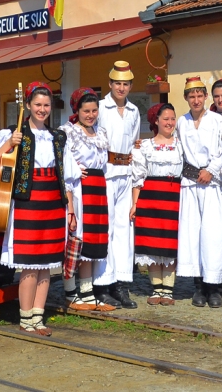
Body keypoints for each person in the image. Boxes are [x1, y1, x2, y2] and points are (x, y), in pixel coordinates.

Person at [0, 82, 67, 335]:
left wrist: (70, 208)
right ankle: (25, 317)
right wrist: (9, 143)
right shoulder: (13, 133)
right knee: (30, 264)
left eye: (46, 105)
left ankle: (38, 318)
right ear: (28, 105)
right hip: (27, 202)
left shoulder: (58, 137)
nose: (42, 110)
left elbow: (68, 178)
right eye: (38, 105)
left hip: (53, 202)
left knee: (47, 265)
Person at [60, 88, 116, 311]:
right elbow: (63, 161)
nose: (91, 114)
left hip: (98, 188)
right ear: (77, 110)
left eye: (94, 110)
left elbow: (104, 162)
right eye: (86, 111)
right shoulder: (69, 132)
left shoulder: (100, 132)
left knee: (92, 241)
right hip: (79, 188)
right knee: (77, 238)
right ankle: (70, 292)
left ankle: (87, 292)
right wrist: (75, 170)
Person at [176, 76, 222, 308]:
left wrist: (211, 170)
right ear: (186, 98)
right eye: (191, 96)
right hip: (189, 184)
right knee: (192, 234)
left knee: (212, 234)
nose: (196, 100)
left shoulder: (217, 120)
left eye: (200, 95)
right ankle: (198, 286)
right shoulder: (182, 122)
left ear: (206, 97)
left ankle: (213, 286)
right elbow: (176, 150)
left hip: (211, 183)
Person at [95, 61, 141, 309]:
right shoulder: (101, 108)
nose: (121, 88)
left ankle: (121, 284)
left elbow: (134, 143)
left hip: (126, 174)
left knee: (125, 231)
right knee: (107, 229)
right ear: (110, 84)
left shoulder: (134, 111)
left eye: (125, 84)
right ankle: (102, 284)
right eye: (117, 83)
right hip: (105, 173)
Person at [130, 103, 184, 306]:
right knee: (151, 243)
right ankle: (156, 288)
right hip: (150, 197)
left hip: (173, 197)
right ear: (156, 121)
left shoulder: (181, 144)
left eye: (172, 118)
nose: (169, 123)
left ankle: (168, 290)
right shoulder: (144, 146)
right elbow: (138, 177)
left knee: (170, 242)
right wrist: (135, 204)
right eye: (165, 119)